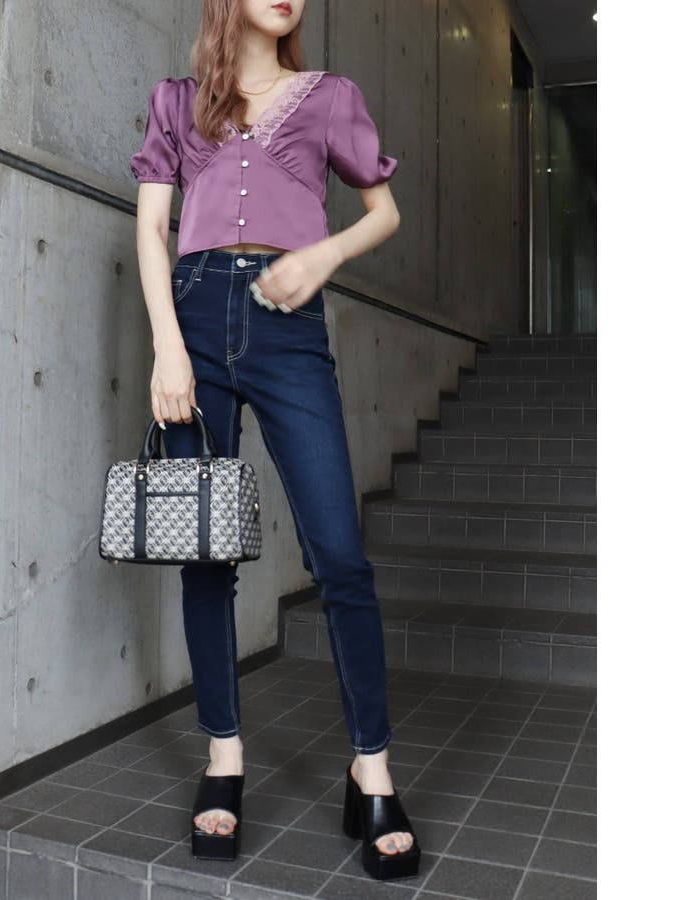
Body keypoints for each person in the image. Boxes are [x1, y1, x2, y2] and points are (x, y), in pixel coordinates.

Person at [129, 0, 419, 881]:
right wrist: (168, 349)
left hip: (288, 326)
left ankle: (371, 767)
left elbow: (383, 211)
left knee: (339, 555)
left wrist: (322, 256)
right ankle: (224, 759)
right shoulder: (178, 100)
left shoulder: (330, 96)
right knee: (205, 553)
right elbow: (151, 227)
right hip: (193, 320)